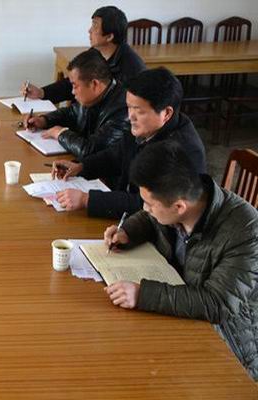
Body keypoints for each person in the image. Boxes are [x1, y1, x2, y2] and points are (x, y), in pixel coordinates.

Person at [102, 141, 258, 379]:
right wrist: (128, 232)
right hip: (177, 306)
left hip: (226, 340)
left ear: (179, 207)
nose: (145, 208)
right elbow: (151, 218)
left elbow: (216, 304)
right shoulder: (183, 196)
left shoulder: (246, 231)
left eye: (149, 204)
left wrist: (142, 295)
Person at [50, 68, 206, 218]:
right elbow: (115, 156)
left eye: (139, 110)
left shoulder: (183, 151)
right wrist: (81, 167)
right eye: (129, 107)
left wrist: (87, 199)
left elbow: (148, 205)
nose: (131, 116)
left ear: (166, 113)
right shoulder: (145, 128)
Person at [22, 5, 146, 104]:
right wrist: (42, 92)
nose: (89, 30)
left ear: (109, 36)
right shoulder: (95, 52)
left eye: (95, 26)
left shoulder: (131, 70)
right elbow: (73, 83)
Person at [24, 48, 129, 160]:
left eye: (75, 86)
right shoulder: (95, 97)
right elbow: (72, 113)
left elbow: (91, 151)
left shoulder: (123, 110)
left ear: (94, 84)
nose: (73, 92)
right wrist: (44, 120)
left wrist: (61, 134)